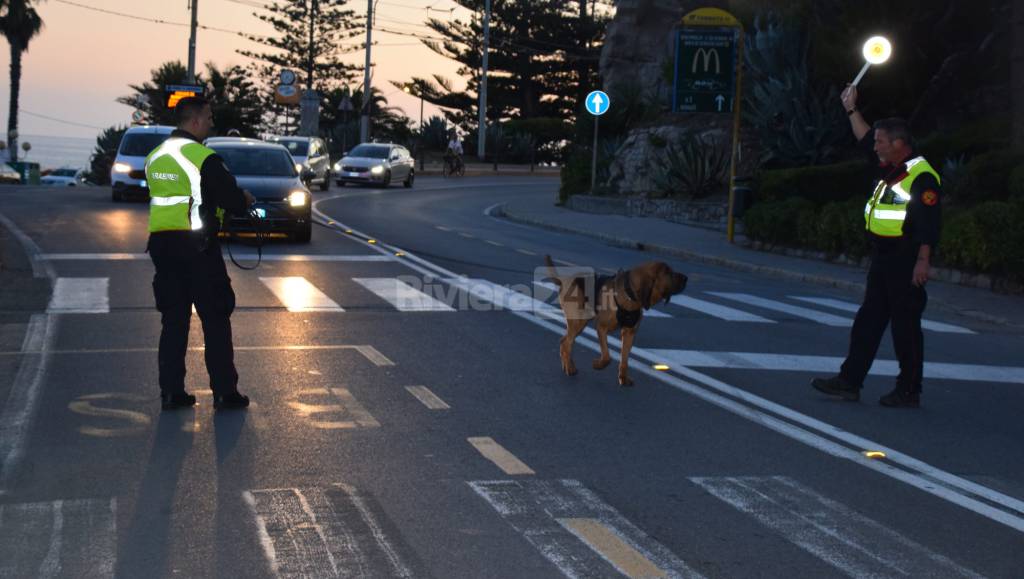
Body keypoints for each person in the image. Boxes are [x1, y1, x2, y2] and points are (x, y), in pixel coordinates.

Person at [811, 85, 942, 408]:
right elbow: (864, 137)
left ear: (899, 144)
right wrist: (851, 109)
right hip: (883, 258)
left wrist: (923, 262)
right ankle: (849, 381)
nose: (876, 146)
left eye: (881, 142)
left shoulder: (921, 176)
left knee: (905, 329)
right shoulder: (891, 166)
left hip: (906, 258)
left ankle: (909, 390)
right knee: (868, 322)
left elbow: (929, 224)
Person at [145, 96, 254, 410]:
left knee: (174, 321)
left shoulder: (155, 156)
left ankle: (171, 392)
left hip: (163, 247)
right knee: (216, 318)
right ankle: (224, 392)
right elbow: (231, 198)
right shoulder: (203, 157)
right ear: (194, 121)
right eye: (208, 117)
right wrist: (244, 200)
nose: (211, 122)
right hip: (198, 248)